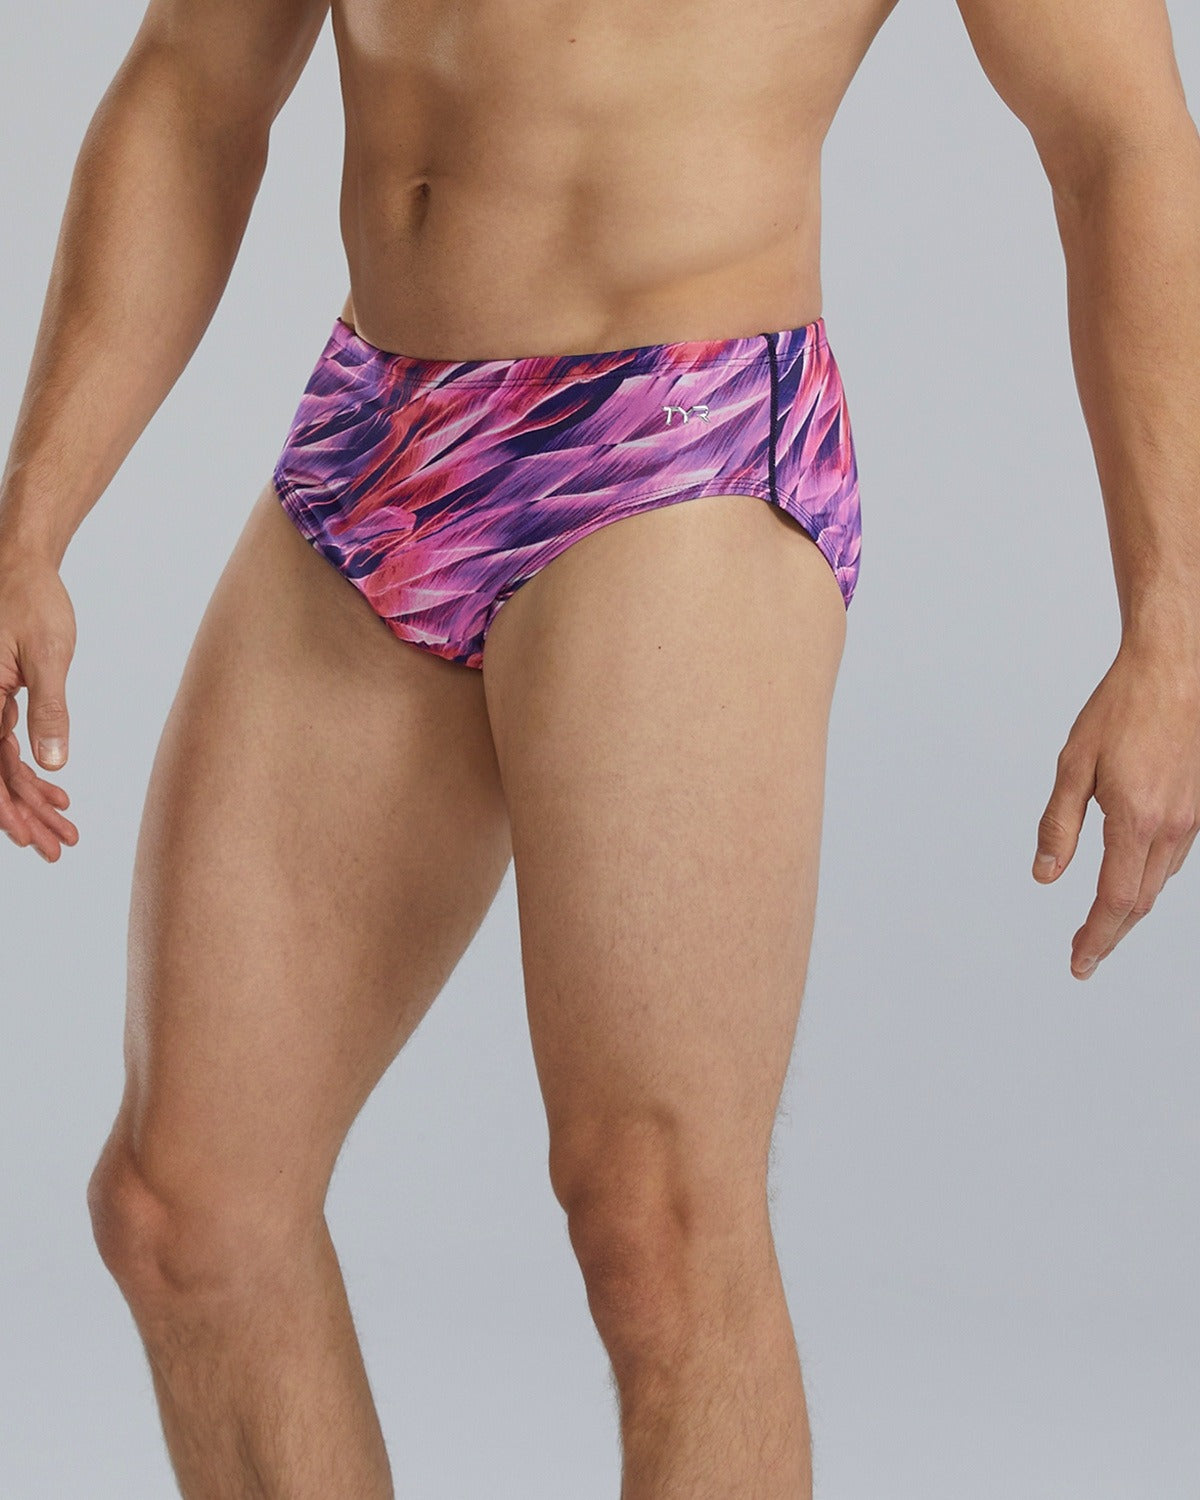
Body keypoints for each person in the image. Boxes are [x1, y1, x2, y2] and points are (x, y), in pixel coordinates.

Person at [2, 0, 1199, 1494]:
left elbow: (1119, 139)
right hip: (383, 429)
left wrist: (1173, 633)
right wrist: (32, 523)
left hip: (678, 429)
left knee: (657, 1223)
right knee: (186, 1212)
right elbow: (197, 85)